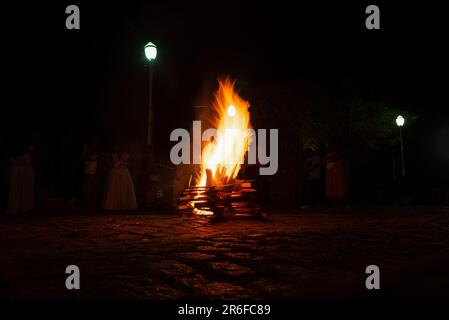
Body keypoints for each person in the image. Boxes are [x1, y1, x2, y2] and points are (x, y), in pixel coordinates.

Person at [7, 143, 35, 214]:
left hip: (20, 162)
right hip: (19, 162)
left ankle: (22, 206)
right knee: (21, 186)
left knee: (20, 186)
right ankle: (23, 206)